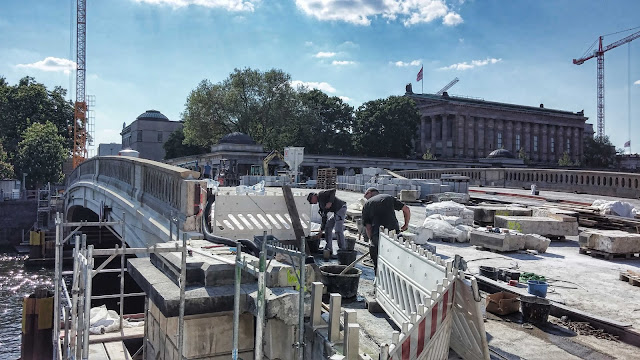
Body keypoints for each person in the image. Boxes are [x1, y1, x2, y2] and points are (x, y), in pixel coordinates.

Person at [362, 187, 411, 273]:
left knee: (377, 263)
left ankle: (378, 279)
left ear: (369, 192)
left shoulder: (367, 204)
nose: (366, 198)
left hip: (378, 235)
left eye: (366, 196)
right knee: (396, 260)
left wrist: (372, 241)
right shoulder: (388, 197)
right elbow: (406, 209)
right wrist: (406, 224)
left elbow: (368, 227)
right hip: (394, 234)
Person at [307, 189, 347, 255]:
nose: (313, 203)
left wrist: (330, 202)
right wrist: (321, 230)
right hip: (336, 212)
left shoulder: (321, 194)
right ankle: (329, 248)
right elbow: (324, 218)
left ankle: (342, 249)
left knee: (338, 229)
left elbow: (333, 191)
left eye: (311, 201)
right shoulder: (321, 205)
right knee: (328, 227)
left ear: (314, 196)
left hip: (341, 208)